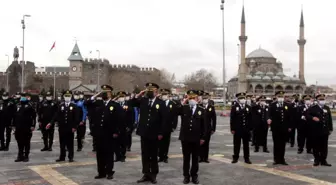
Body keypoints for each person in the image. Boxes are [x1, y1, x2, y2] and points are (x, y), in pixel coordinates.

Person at [130, 83, 166, 184]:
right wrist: (139, 94)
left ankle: (153, 174)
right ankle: (146, 173)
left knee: (153, 155)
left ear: (156, 92)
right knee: (145, 154)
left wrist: (161, 133)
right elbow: (131, 103)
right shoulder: (143, 101)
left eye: (152, 90)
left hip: (155, 133)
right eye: (148, 90)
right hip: (144, 132)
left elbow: (164, 120)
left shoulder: (161, 103)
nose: (150, 92)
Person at [87, 85, 122, 179]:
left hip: (109, 134)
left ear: (110, 93)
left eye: (106, 92)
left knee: (109, 153)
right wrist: (95, 95)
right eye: (103, 92)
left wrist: (116, 132)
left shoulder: (115, 105)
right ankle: (101, 172)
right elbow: (86, 103)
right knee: (100, 154)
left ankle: (109, 172)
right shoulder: (98, 103)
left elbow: (119, 120)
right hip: (98, 134)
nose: (104, 94)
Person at [178, 90, 207, 184]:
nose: (191, 100)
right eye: (190, 98)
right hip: (185, 138)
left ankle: (194, 175)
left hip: (196, 138)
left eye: (193, 98)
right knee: (186, 158)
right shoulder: (184, 108)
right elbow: (174, 111)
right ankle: (186, 176)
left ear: (197, 99)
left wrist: (203, 137)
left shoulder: (201, 110)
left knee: (195, 158)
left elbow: (204, 126)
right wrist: (183, 102)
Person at [49, 90, 79, 163]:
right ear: (64, 97)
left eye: (69, 96)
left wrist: (74, 127)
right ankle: (62, 157)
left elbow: (76, 118)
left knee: (70, 143)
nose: (67, 97)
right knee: (62, 143)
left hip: (70, 128)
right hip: (62, 128)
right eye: (66, 96)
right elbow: (56, 115)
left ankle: (70, 157)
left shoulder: (74, 106)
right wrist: (51, 123)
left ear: (71, 97)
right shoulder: (61, 106)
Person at [306, 94, 333, 166]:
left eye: (323, 99)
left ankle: (323, 160)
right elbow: (307, 115)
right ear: (317, 100)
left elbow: (329, 118)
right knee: (316, 146)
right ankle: (317, 160)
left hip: (325, 130)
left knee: (324, 146)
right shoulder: (313, 108)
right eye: (320, 99)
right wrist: (312, 118)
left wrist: (330, 128)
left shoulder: (327, 108)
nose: (322, 101)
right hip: (316, 130)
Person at [269, 91, 293, 165]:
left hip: (284, 128)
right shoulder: (272, 105)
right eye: (279, 96)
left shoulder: (288, 105)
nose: (281, 98)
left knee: (283, 144)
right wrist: (269, 121)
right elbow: (269, 115)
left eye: (282, 97)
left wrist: (290, 126)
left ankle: (282, 159)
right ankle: (276, 159)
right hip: (276, 128)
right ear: (276, 97)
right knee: (276, 144)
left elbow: (290, 117)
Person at [13, 92, 36, 162]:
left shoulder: (30, 105)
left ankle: (26, 156)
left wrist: (33, 125)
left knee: (26, 142)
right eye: (21, 96)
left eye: (24, 96)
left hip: (26, 127)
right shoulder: (17, 105)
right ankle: (20, 156)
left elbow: (34, 117)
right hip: (18, 127)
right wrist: (13, 125)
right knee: (19, 142)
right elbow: (14, 116)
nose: (22, 97)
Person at [230, 92, 252, 164]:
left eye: (243, 98)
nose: (242, 99)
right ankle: (235, 158)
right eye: (241, 98)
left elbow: (250, 119)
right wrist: (232, 129)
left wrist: (250, 129)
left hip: (246, 129)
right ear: (238, 99)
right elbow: (232, 119)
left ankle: (247, 158)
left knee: (246, 145)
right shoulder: (234, 107)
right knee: (236, 145)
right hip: (237, 129)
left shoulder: (248, 107)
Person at [158, 88, 177, 163]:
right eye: (163, 94)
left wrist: (173, 126)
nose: (164, 96)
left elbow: (175, 116)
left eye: (165, 94)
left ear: (168, 95)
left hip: (168, 126)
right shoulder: (159, 103)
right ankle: (160, 156)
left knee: (166, 142)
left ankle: (165, 156)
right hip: (159, 126)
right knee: (159, 142)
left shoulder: (172, 104)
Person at [114, 91, 133, 162]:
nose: (121, 98)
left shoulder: (128, 104)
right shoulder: (115, 104)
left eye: (122, 97)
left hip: (125, 127)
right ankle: (117, 156)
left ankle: (122, 156)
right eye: (120, 97)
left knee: (123, 143)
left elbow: (131, 116)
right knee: (116, 143)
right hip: (116, 127)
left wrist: (130, 126)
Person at [199, 92, 216, 163]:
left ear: (208, 99)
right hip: (199, 128)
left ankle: (205, 158)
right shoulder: (199, 106)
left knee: (206, 143)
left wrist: (213, 128)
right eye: (203, 98)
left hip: (208, 128)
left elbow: (214, 119)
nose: (205, 100)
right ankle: (200, 157)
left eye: (206, 98)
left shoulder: (211, 107)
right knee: (200, 143)